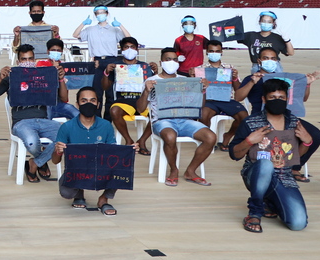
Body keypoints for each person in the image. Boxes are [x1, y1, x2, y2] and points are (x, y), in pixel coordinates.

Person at [229, 78, 311, 233]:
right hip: (255, 173)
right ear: (264, 99)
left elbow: (295, 158)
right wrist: (248, 141)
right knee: (265, 163)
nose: (277, 101)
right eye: (272, 98)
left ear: (287, 99)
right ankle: (254, 212)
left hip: (284, 176)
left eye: (281, 98)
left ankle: (271, 202)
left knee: (298, 223)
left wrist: (307, 142)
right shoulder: (251, 122)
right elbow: (234, 154)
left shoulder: (294, 122)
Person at [233, 47, 320, 183]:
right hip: (262, 118)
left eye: (273, 59)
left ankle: (294, 167)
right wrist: (252, 82)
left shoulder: (284, 79)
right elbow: (238, 97)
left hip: (286, 117)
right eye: (266, 58)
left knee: (315, 135)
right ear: (259, 61)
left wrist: (307, 85)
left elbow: (302, 98)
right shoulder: (252, 78)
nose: (270, 61)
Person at [0, 44, 68, 183]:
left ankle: (34, 163)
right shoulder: (12, 77)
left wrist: (60, 78)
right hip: (21, 122)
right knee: (32, 143)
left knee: (64, 136)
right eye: (24, 59)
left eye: (30, 58)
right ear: (18, 62)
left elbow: (64, 98)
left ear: (34, 59)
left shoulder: (43, 75)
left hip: (44, 120)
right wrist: (0, 78)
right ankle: (41, 161)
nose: (27, 62)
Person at [134, 48, 216, 186]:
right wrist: (146, 91)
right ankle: (173, 170)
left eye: (175, 60)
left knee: (211, 137)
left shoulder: (186, 81)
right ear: (161, 62)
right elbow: (140, 108)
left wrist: (202, 91)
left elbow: (199, 106)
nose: (171, 62)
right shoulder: (152, 80)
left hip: (185, 120)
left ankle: (191, 170)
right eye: (168, 59)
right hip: (162, 121)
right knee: (170, 137)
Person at [51, 86, 136, 215]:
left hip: (100, 168)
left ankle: (104, 199)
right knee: (66, 192)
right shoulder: (67, 127)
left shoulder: (106, 125)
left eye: (93, 100)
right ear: (77, 104)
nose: (88, 104)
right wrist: (58, 150)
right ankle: (79, 192)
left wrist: (128, 151)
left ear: (98, 104)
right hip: (77, 170)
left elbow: (112, 151)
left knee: (121, 167)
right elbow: (55, 161)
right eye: (84, 101)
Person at [101, 37, 157, 154]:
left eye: (132, 47)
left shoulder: (145, 66)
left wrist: (155, 73)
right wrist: (106, 73)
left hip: (143, 101)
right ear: (121, 50)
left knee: (158, 113)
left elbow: (154, 84)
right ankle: (128, 140)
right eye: (126, 47)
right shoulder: (115, 66)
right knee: (115, 111)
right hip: (123, 101)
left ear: (137, 50)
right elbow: (105, 87)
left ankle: (142, 141)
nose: (129, 50)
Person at [73, 5, 129, 116]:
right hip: (97, 62)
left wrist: (120, 25)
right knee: (97, 93)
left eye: (103, 12)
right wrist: (84, 23)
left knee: (111, 94)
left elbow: (127, 38)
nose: (100, 15)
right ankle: (97, 118)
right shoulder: (90, 29)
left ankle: (108, 120)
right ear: (95, 15)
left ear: (107, 14)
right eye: (98, 13)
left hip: (112, 61)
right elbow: (75, 35)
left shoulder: (114, 30)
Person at [198, 41, 247, 152]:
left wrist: (234, 78)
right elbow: (196, 91)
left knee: (244, 116)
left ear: (221, 52)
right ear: (207, 52)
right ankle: (207, 140)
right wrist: (194, 78)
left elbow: (238, 90)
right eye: (211, 51)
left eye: (217, 51)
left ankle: (227, 136)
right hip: (209, 100)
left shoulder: (229, 68)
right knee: (203, 114)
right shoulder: (200, 69)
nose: (214, 53)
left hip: (226, 99)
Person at [45, 38, 79, 120]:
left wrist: (61, 79)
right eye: (53, 50)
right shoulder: (41, 65)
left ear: (62, 52)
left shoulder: (65, 67)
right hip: (44, 104)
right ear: (48, 51)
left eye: (58, 50)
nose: (56, 52)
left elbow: (64, 98)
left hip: (59, 104)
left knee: (76, 113)